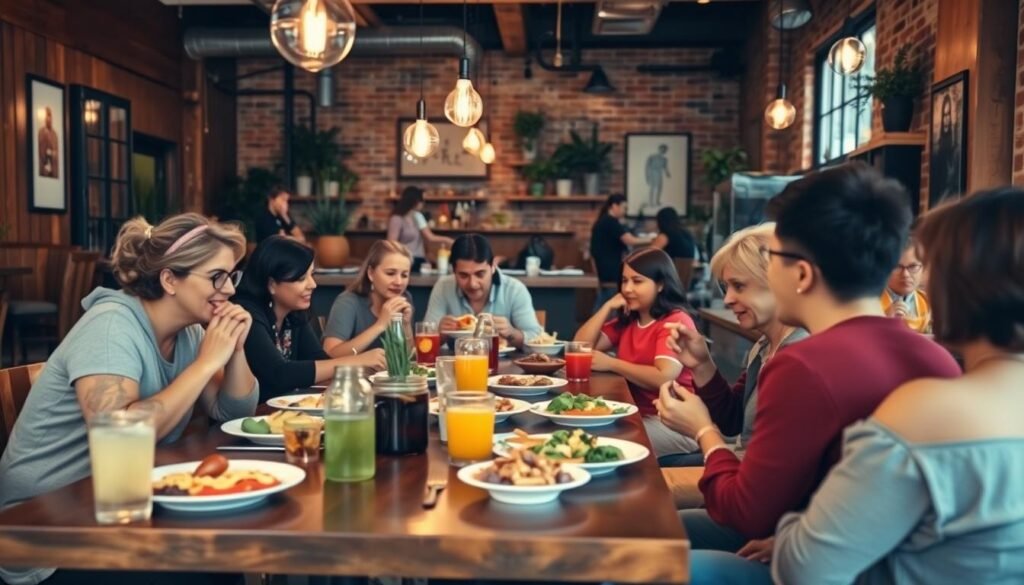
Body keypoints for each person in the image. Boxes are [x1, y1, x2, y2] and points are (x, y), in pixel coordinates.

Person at [705, 188, 1024, 584]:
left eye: (928, 266)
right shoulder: (947, 373)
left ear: (958, 287)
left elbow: (804, 568)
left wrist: (792, 535)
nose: (918, 280)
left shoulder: (923, 407)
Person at [654, 163, 961, 560]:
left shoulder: (803, 366)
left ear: (800, 273)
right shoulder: (938, 360)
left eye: (774, 259)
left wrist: (703, 431)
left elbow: (746, 512)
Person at [0, 213, 259, 585]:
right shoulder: (110, 327)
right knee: (205, 570)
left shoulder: (188, 334)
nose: (230, 289)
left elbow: (235, 412)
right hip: (43, 530)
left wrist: (234, 350)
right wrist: (205, 364)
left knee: (223, 557)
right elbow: (117, 432)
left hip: (119, 508)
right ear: (170, 279)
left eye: (232, 276)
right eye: (217, 276)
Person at [659, 223, 806, 468]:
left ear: (777, 281)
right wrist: (701, 364)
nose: (727, 299)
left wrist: (702, 429)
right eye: (726, 288)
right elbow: (734, 420)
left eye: (739, 286)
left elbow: (774, 470)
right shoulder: (764, 346)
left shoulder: (797, 358)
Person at [574, 247, 698, 458]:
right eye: (624, 281)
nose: (627, 289)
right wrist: (606, 306)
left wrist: (612, 363)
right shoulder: (630, 319)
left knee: (598, 442)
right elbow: (579, 347)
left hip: (675, 423)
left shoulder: (675, 321)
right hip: (637, 414)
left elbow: (663, 377)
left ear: (660, 284)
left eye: (637, 281)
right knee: (581, 431)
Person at [235, 236, 386, 401]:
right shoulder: (246, 314)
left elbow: (319, 360)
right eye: (301, 278)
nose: (313, 284)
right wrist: (356, 361)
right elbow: (279, 373)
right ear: (271, 284)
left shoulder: (294, 313)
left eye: (311, 275)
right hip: (252, 414)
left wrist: (359, 364)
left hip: (286, 411)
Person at [424, 234, 543, 348]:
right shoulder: (443, 287)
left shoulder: (514, 290)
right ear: (454, 271)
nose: (473, 284)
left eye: (480, 274)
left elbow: (536, 338)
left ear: (493, 267)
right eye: (463, 275)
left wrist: (511, 332)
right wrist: (439, 334)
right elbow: (425, 342)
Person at [322, 240, 415, 357]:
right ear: (371, 273)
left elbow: (407, 358)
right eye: (390, 273)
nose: (399, 282)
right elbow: (330, 353)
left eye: (404, 275)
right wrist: (380, 325)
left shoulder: (405, 299)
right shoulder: (348, 302)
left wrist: (406, 326)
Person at [387, 186, 454, 271]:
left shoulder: (418, 216)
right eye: (421, 200)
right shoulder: (397, 219)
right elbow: (391, 244)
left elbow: (430, 237)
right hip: (405, 260)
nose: (423, 203)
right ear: (415, 201)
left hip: (419, 260)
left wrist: (449, 241)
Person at [590, 194, 648, 291]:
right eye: (624, 208)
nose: (625, 211)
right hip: (609, 269)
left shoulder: (605, 220)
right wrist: (652, 239)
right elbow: (630, 240)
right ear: (614, 206)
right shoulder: (610, 222)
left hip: (605, 268)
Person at [880, 240, 931, 333]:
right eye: (897, 267)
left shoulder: (929, 304)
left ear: (923, 268)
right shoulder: (872, 303)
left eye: (913, 266)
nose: (905, 274)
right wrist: (883, 320)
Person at [37, 106, 59, 179]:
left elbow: (57, 152)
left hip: (54, 170)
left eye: (50, 116)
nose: (49, 119)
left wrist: (52, 153)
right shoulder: (41, 132)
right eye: (47, 116)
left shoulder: (54, 134)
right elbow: (41, 152)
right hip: (44, 170)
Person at [645, 144, 670, 208]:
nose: (663, 151)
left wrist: (667, 173)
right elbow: (647, 166)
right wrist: (647, 176)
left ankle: (657, 201)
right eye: (662, 149)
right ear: (659, 149)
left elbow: (665, 167)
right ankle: (651, 202)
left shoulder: (665, 159)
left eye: (664, 150)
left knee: (660, 188)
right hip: (652, 173)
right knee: (653, 188)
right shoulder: (652, 157)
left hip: (659, 174)